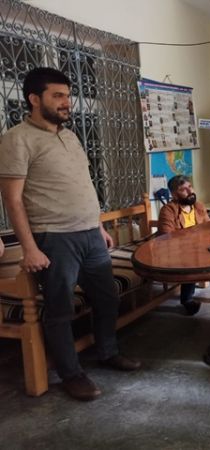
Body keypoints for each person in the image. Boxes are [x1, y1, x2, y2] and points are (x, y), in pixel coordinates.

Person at [0, 67, 141, 402]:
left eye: (68, 95)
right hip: (54, 238)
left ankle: (107, 352)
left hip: (90, 235)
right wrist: (31, 248)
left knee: (106, 297)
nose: (67, 102)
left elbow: (85, 186)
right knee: (60, 308)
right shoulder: (17, 139)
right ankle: (71, 374)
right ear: (34, 99)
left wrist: (99, 227)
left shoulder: (71, 136)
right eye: (58, 96)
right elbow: (12, 199)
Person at [157, 175, 210, 315]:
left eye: (190, 187)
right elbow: (166, 237)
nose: (190, 191)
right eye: (183, 189)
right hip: (177, 250)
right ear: (174, 194)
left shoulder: (198, 206)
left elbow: (209, 228)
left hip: (198, 246)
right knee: (191, 259)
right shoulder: (168, 210)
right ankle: (187, 300)